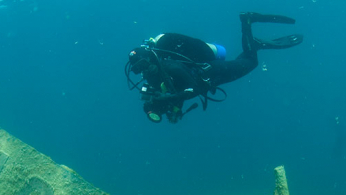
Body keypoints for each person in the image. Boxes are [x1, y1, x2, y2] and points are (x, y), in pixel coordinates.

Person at [126, 12, 303, 123]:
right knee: (243, 63)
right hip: (209, 73)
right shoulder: (155, 78)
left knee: (251, 62)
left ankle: (247, 23)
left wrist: (169, 99)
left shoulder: (167, 66)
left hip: (211, 71)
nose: (143, 71)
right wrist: (172, 106)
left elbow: (191, 87)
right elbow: (180, 89)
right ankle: (253, 44)